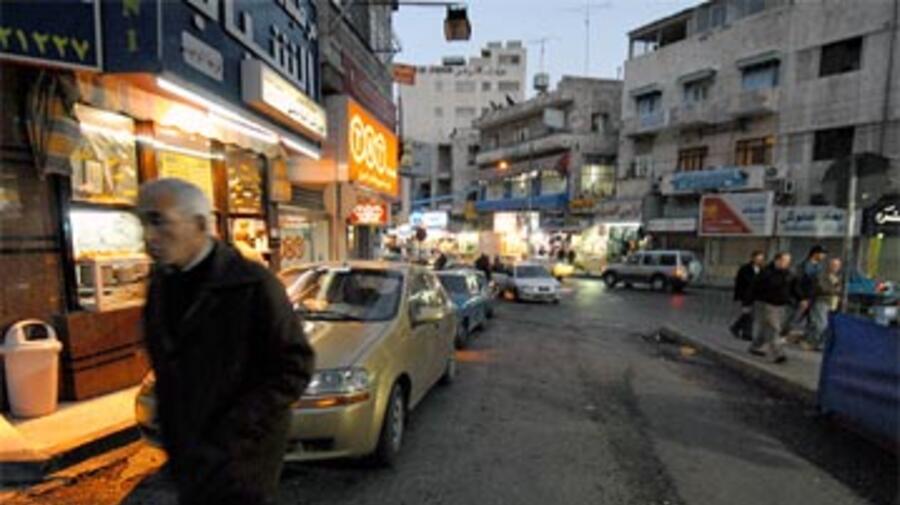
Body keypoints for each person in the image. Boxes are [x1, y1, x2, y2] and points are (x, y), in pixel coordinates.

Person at [137, 179, 315, 505]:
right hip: (188, 456)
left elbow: (295, 365)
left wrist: (237, 426)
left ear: (200, 224)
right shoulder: (161, 283)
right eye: (143, 223)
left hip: (241, 461)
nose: (148, 236)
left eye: (159, 221)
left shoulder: (252, 283)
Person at [749, 252, 800, 364]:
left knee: (765, 328)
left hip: (781, 305)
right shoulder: (767, 272)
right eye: (784, 261)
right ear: (777, 260)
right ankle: (777, 353)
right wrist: (748, 303)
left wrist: (799, 298)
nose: (787, 263)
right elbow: (759, 286)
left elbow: (793, 288)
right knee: (774, 329)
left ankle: (756, 345)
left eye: (788, 261)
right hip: (767, 303)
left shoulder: (789, 273)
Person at [807, 257, 843, 351]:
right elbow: (821, 288)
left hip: (834, 303)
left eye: (837, 265)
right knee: (821, 324)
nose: (835, 267)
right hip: (822, 301)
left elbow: (841, 290)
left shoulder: (839, 278)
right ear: (829, 265)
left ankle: (821, 344)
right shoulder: (822, 275)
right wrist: (835, 290)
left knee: (829, 325)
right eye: (833, 265)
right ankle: (815, 342)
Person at [730, 250, 765, 340]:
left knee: (748, 314)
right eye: (758, 259)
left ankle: (735, 327)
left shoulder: (763, 269)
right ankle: (747, 334)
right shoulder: (745, 269)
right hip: (745, 295)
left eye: (761, 259)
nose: (759, 261)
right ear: (753, 258)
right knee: (749, 315)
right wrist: (738, 296)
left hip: (756, 296)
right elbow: (739, 283)